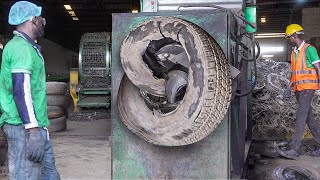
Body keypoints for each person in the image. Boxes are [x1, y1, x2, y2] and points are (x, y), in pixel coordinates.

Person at [0, 1, 60, 179]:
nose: (43, 22)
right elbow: (21, 90)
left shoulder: (28, 47)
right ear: (33, 20)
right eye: (41, 18)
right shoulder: (21, 48)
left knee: (50, 176)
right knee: (26, 175)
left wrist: (39, 129)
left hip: (36, 127)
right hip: (24, 129)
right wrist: (32, 130)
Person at [279, 24, 320, 159]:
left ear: (295, 35)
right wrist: (288, 88)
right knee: (309, 118)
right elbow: (294, 73)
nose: (288, 39)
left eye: (289, 37)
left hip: (308, 89)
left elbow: (318, 68)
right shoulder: (294, 52)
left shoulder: (309, 49)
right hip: (299, 89)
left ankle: (295, 149)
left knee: (301, 117)